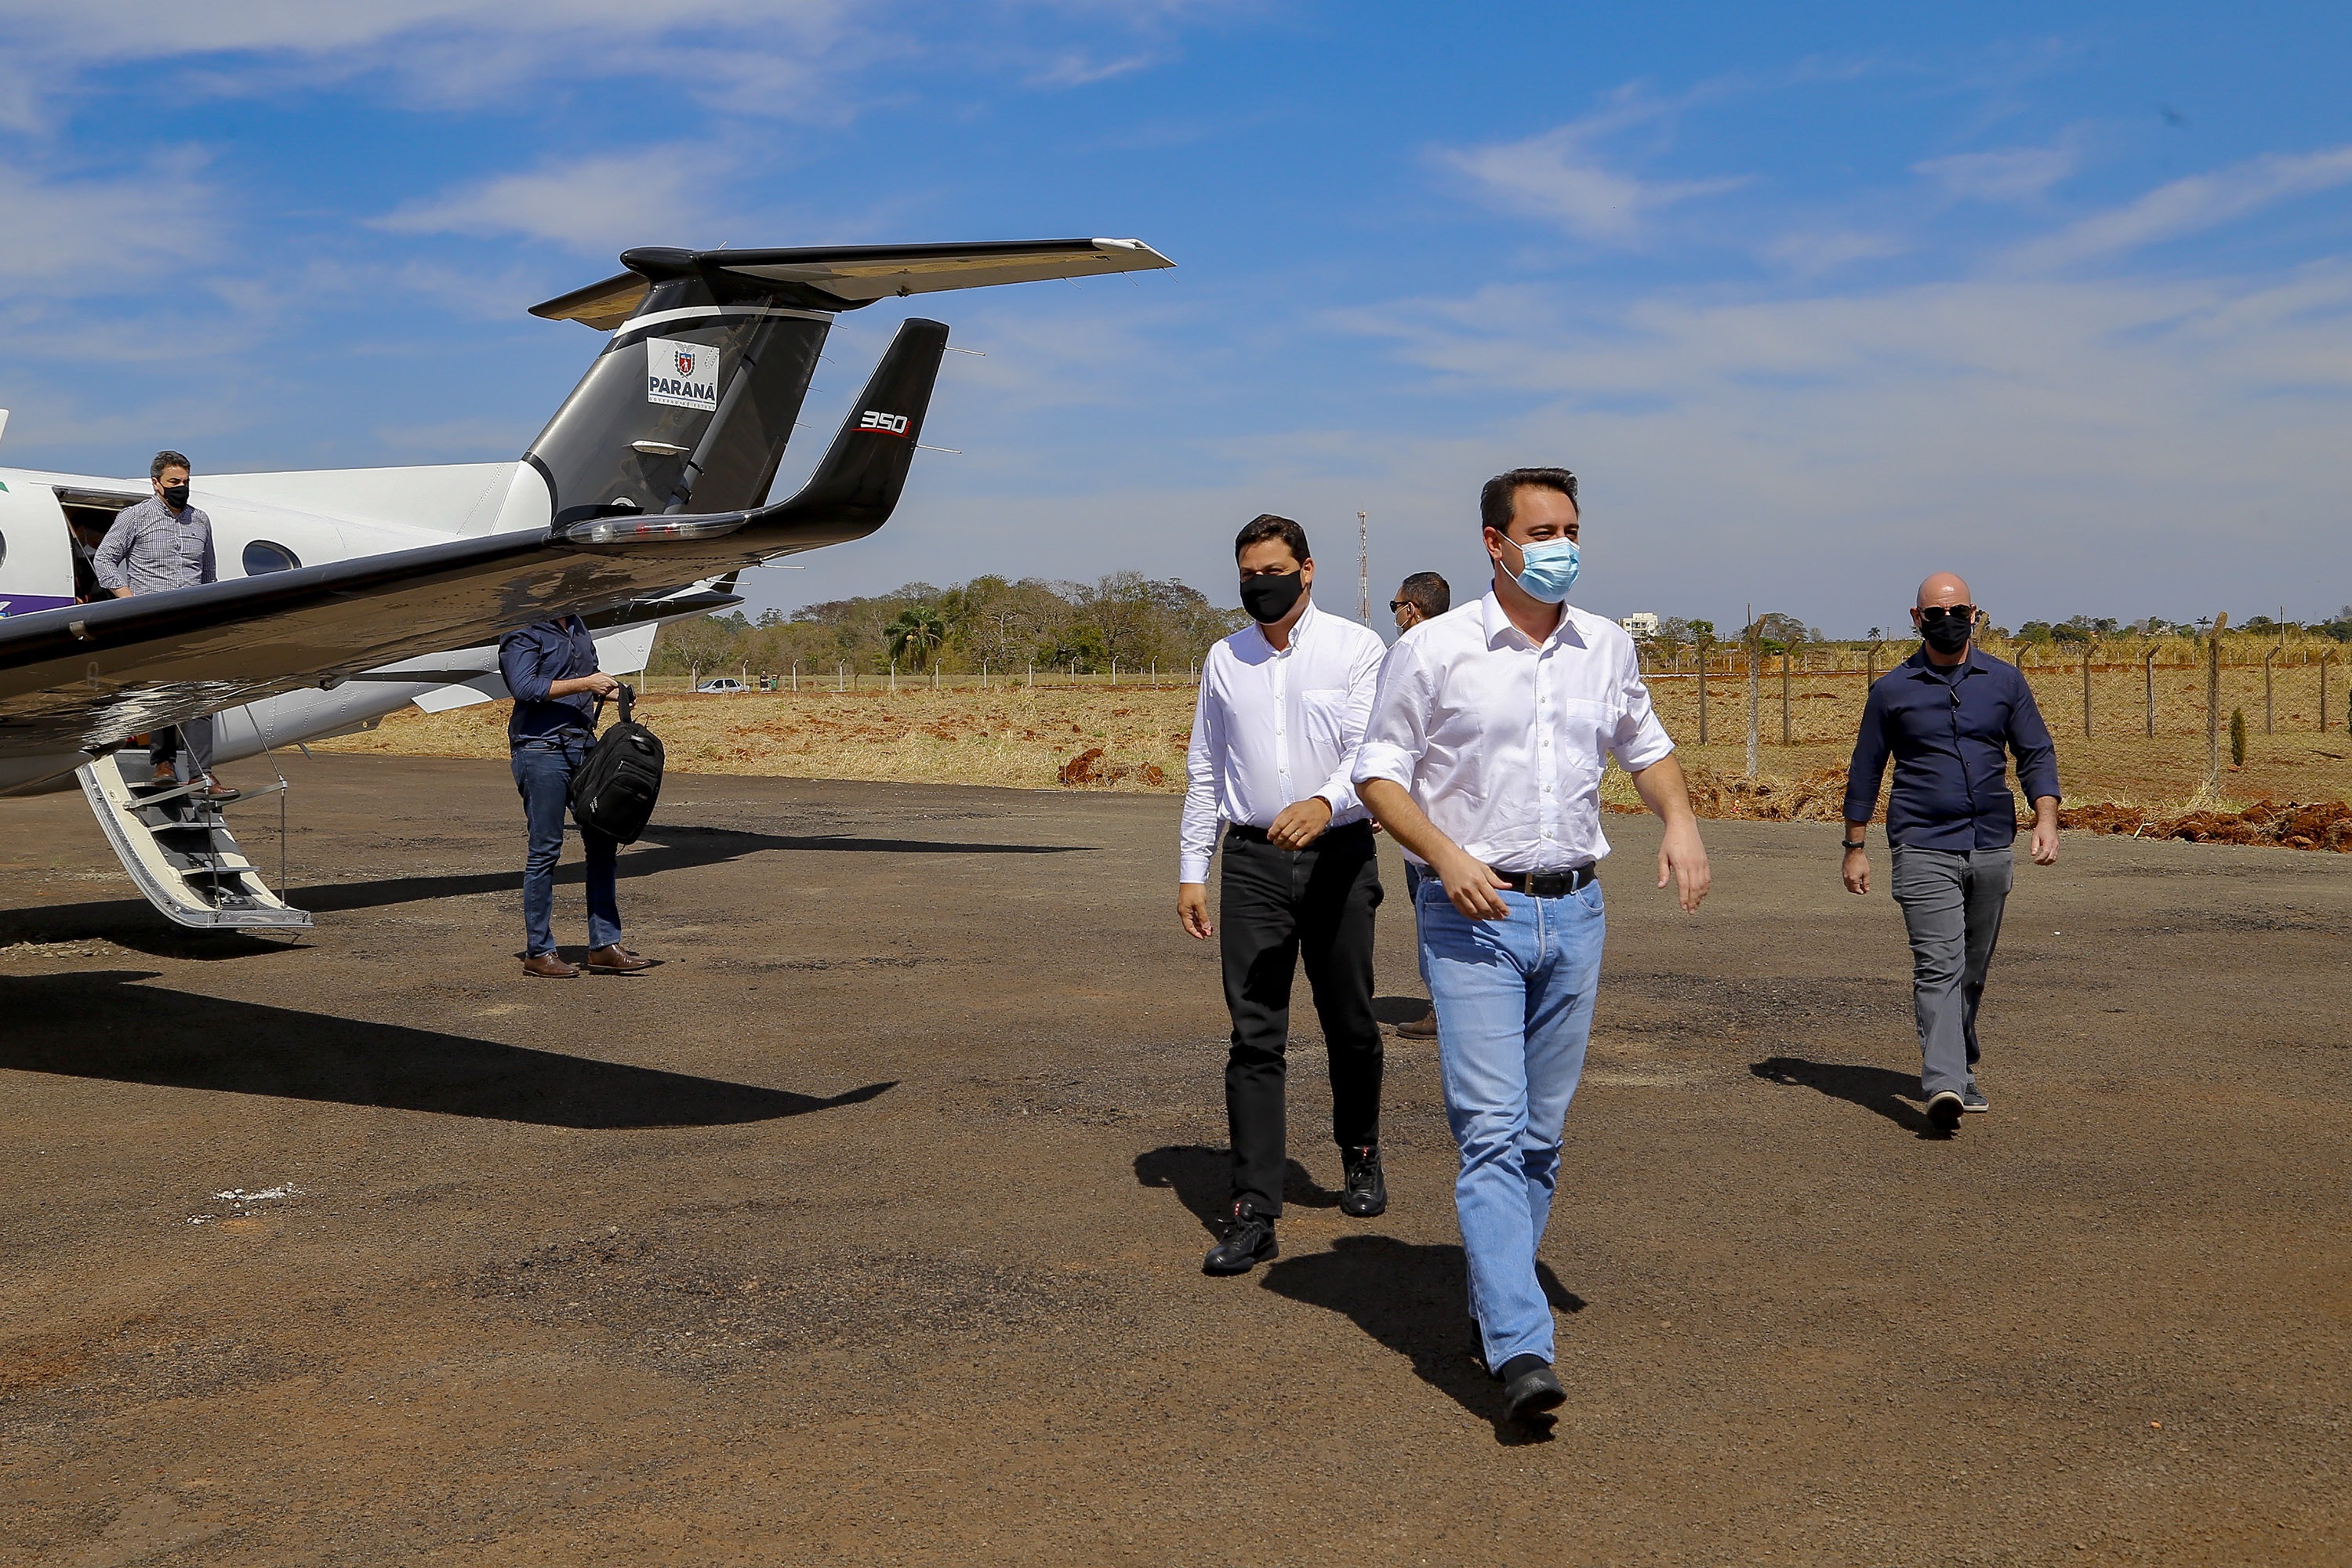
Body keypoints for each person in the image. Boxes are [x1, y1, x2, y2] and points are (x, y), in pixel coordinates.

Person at [1354, 466, 1711, 1427]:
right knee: (1492, 1131)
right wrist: (1444, 856)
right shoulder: (1433, 650)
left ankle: (1492, 1296)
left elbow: (1648, 747)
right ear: (1495, 543)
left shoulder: (1605, 647)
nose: (1562, 543)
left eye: (1572, 526)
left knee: (1542, 1137)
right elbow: (1378, 776)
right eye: (1542, 528)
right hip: (1474, 917)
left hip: (1577, 913)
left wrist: (1679, 821)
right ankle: (1519, 1343)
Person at [1178, 514, 1390, 1276]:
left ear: (1307, 569)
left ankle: (1359, 1149)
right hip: (1253, 861)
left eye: (1272, 570)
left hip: (1338, 854)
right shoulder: (1224, 658)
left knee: (1351, 1022)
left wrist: (1327, 802)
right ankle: (1253, 1209)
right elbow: (1207, 767)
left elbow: (1372, 752)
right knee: (1255, 1034)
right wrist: (1190, 867)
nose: (1258, 585)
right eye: (1246, 574)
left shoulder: (1358, 649)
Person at [1841, 572, 2059, 1133]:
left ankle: (1958, 1062)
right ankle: (1944, 1084)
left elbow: (2035, 752)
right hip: (1921, 845)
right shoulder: (1892, 690)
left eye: (1956, 610)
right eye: (1934, 613)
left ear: (1975, 613)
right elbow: (1866, 771)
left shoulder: (2005, 683)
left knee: (1972, 968)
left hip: (1990, 844)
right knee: (1938, 965)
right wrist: (1855, 847)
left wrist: (2046, 817)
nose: (1946, 620)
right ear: (1915, 620)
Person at [499, 615, 654, 979]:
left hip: (583, 745)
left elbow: (585, 678)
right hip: (540, 749)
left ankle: (604, 946)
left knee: (603, 842)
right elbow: (524, 686)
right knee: (545, 849)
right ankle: (539, 952)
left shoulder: (579, 628)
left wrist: (607, 691)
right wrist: (586, 682)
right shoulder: (522, 628)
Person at [93, 452, 237, 801]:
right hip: (153, 623)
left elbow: (208, 575)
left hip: (192, 622)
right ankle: (164, 764)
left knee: (201, 697)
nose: (181, 488)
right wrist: (131, 603)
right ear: (156, 483)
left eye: (186, 482)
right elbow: (105, 559)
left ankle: (202, 775)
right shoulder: (135, 517)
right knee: (162, 694)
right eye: (174, 482)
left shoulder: (200, 520)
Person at [1388, 571, 1453, 1042]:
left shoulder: (1407, 655)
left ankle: (1443, 1007)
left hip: (1422, 815)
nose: (1395, 616)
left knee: (1434, 914)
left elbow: (1391, 741)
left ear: (1412, 609)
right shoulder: (1469, 649)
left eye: (1396, 607)